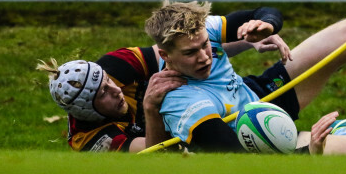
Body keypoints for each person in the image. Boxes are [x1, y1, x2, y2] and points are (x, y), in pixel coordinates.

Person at [145, 0, 346, 155]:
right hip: (264, 139)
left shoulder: (203, 29)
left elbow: (264, 11)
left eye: (205, 45)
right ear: (165, 55)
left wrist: (264, 25)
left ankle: (341, 134)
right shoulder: (180, 100)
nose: (204, 56)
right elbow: (237, 157)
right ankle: (343, 133)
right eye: (191, 53)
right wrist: (310, 152)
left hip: (262, 94)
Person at [37, 30, 291, 152]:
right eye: (102, 93)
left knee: (324, 45)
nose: (115, 90)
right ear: (85, 111)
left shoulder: (116, 65)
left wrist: (250, 40)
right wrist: (150, 108)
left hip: (230, 99)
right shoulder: (89, 139)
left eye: (108, 82)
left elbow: (182, 50)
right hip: (194, 141)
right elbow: (155, 154)